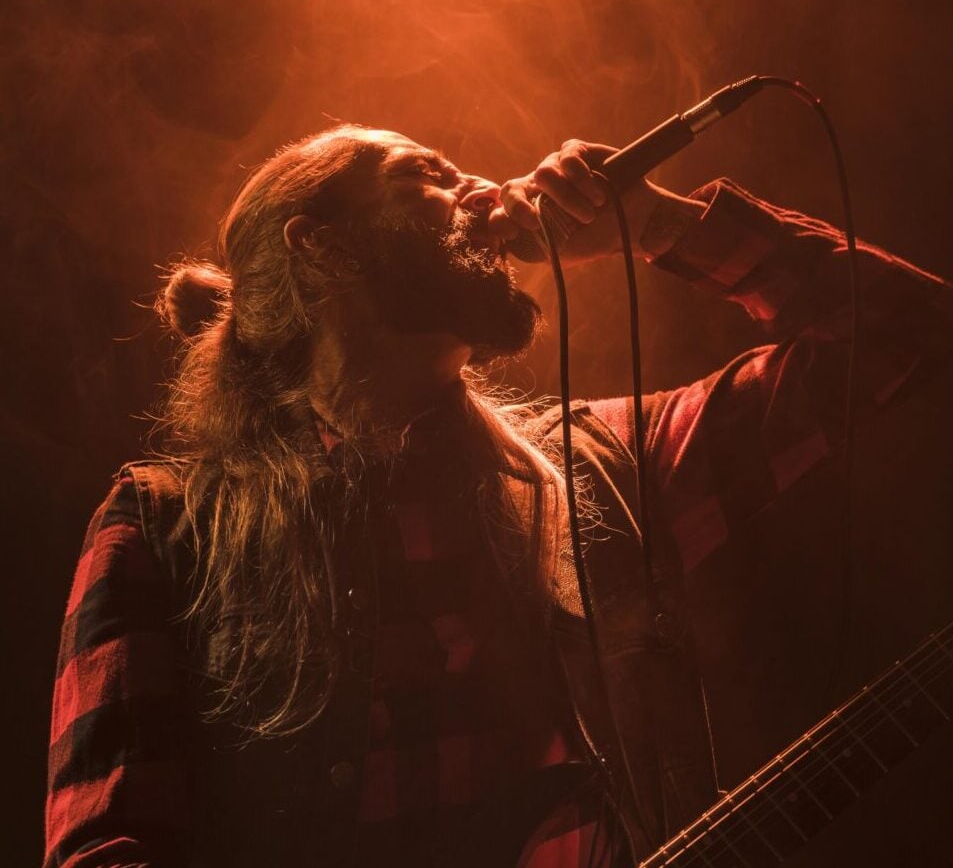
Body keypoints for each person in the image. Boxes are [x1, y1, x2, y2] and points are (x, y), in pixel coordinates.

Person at [45, 125, 953, 868]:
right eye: (425, 176)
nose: (484, 189)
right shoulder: (168, 529)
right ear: (319, 246)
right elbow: (106, 848)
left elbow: (907, 340)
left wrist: (660, 226)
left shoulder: (604, 467)